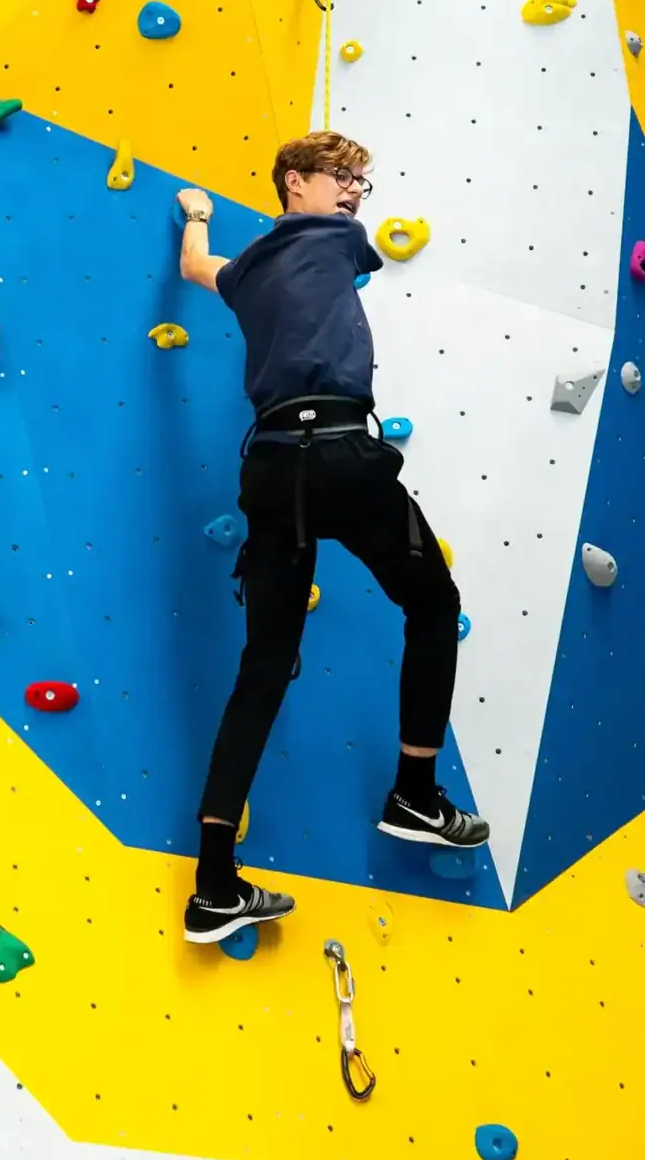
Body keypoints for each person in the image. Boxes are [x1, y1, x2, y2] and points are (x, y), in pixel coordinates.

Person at [175, 131, 488, 946]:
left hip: (272, 468)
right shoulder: (334, 236)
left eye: (360, 182)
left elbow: (197, 268)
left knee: (264, 667)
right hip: (342, 455)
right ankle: (415, 792)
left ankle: (213, 885)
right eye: (342, 175)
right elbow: (345, 261)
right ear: (294, 182)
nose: (355, 192)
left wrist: (196, 213)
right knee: (434, 603)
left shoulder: (247, 271)